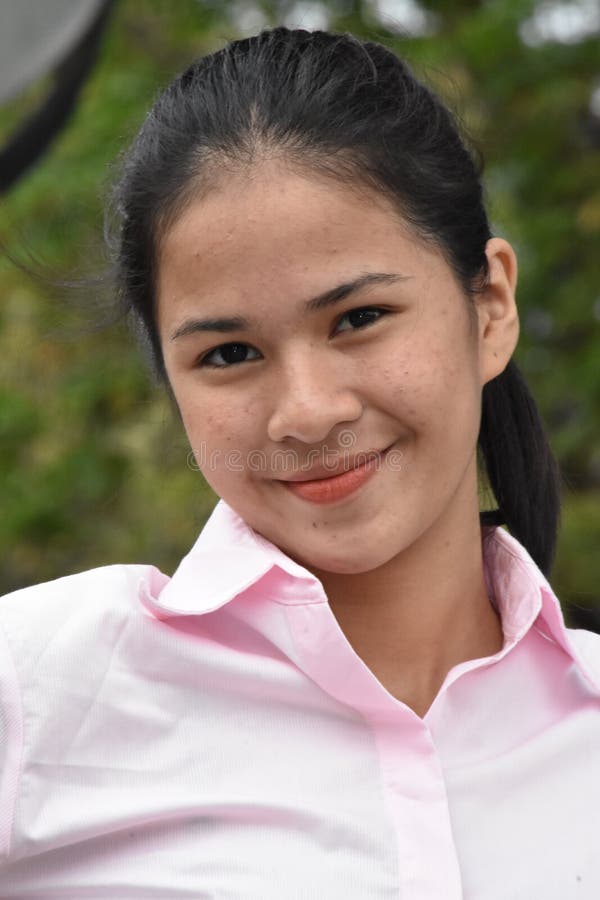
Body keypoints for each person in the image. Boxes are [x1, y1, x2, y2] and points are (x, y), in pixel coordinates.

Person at [1, 26, 599, 899]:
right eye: (230, 355)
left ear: (492, 305)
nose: (308, 411)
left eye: (358, 319)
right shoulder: (41, 689)